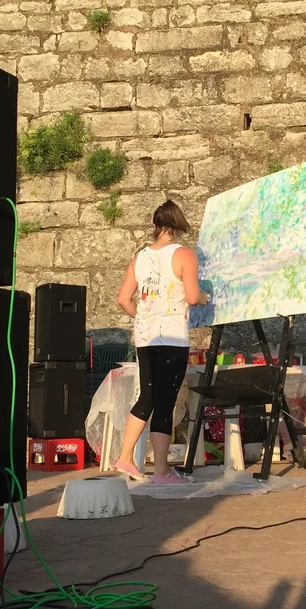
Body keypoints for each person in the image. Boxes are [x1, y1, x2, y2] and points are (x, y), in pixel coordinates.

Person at [114, 200, 210, 484]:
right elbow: (191, 296)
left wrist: (144, 317)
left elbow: (123, 299)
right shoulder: (184, 255)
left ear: (155, 226)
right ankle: (161, 471)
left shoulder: (140, 258)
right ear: (178, 227)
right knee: (165, 402)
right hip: (171, 336)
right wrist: (204, 297)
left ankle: (125, 457)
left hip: (145, 337)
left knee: (147, 397)